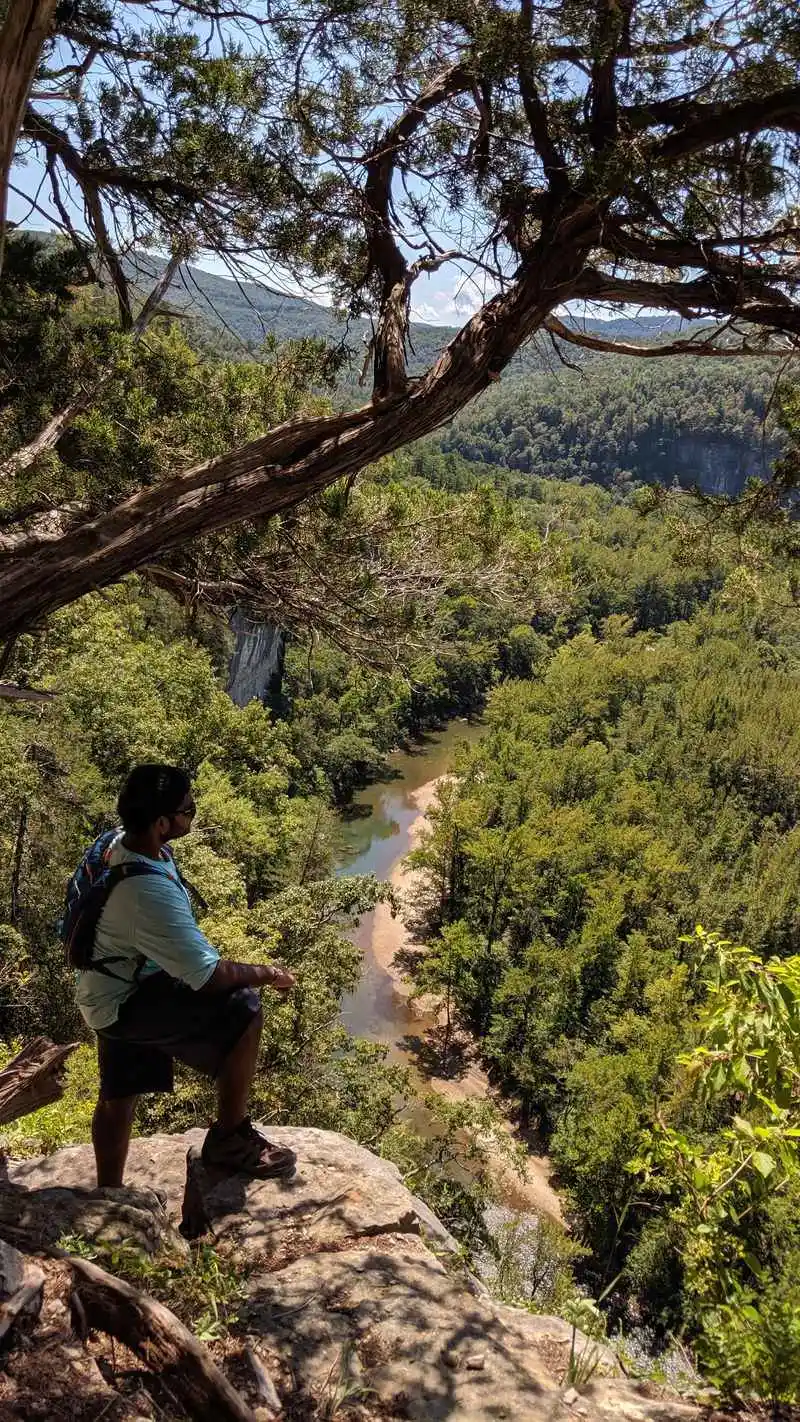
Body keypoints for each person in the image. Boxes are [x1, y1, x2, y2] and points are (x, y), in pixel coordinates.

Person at [75, 763, 297, 1188]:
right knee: (245, 1009)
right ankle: (229, 1138)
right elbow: (209, 976)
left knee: (118, 1093)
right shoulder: (146, 891)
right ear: (162, 823)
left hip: (107, 990)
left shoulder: (117, 844)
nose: (193, 813)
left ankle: (109, 1193)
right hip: (128, 997)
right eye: (188, 809)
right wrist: (269, 973)